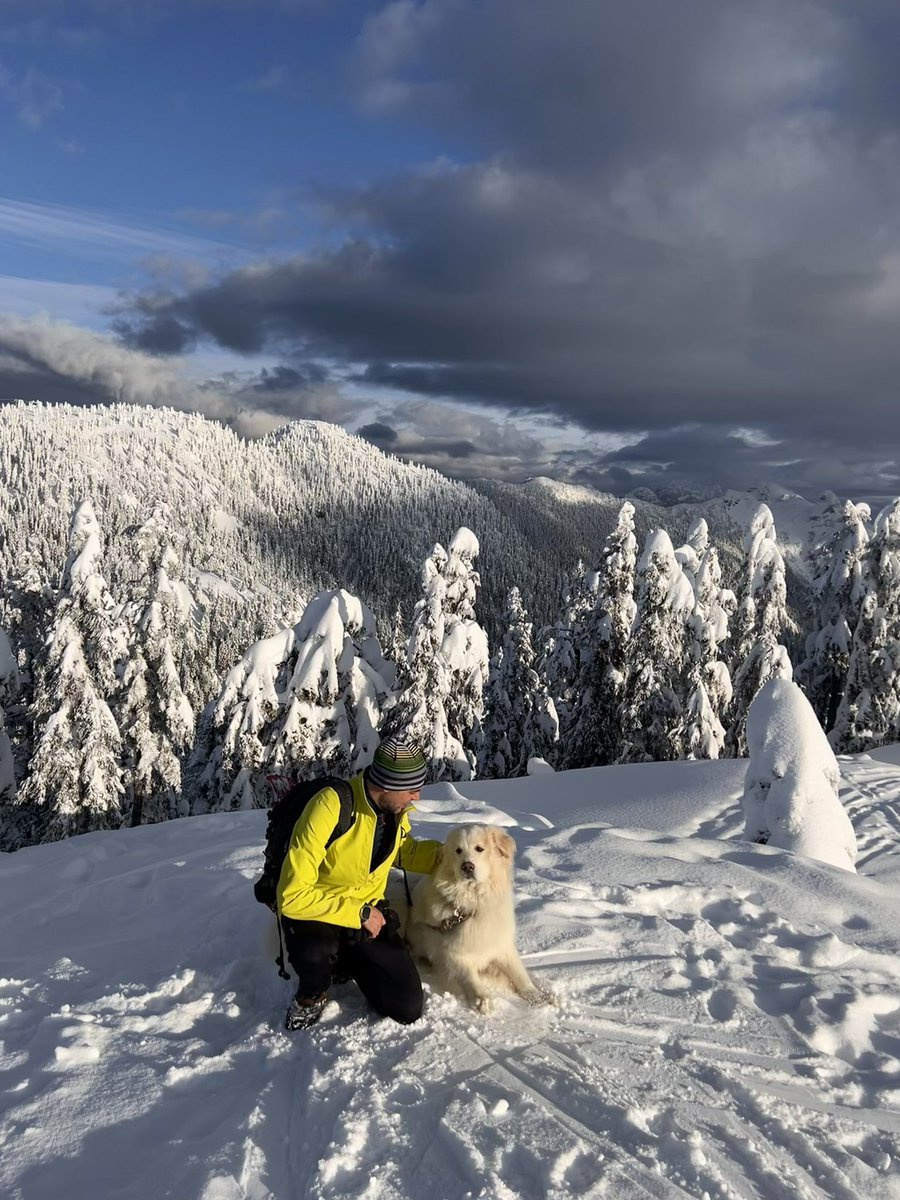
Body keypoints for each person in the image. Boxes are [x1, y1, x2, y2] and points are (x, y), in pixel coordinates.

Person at [277, 736, 442, 1031]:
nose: (417, 797)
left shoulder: (393, 812)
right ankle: (311, 995)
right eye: (412, 789)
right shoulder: (331, 806)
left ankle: (347, 962)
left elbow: (402, 852)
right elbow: (291, 895)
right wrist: (359, 914)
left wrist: (456, 856)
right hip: (317, 913)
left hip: (367, 917)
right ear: (387, 785)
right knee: (315, 951)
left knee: (406, 1006)